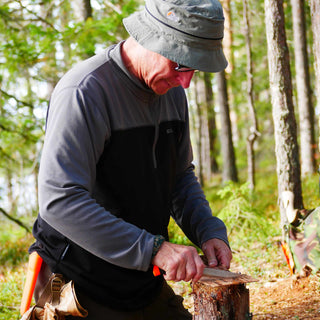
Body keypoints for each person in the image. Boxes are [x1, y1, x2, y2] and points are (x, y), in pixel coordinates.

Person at [29, 0, 232, 318]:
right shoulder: (85, 92)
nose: (187, 82)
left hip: (139, 280)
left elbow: (179, 176)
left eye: (194, 68)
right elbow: (59, 200)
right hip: (78, 283)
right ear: (152, 39)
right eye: (181, 65)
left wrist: (208, 230)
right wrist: (154, 250)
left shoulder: (172, 92)